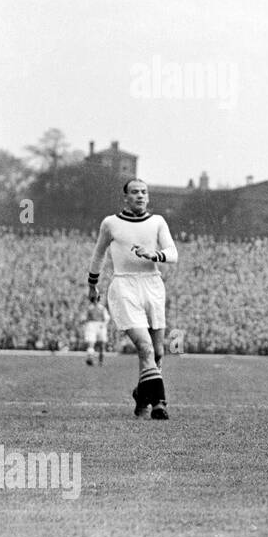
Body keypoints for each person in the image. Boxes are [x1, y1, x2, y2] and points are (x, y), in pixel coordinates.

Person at [86, 179, 177, 419]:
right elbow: (99, 254)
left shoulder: (158, 222)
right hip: (124, 284)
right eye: (134, 192)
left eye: (144, 192)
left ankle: (142, 394)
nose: (140, 196)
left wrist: (153, 254)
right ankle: (159, 403)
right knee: (144, 346)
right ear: (125, 197)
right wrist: (92, 284)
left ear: (148, 197)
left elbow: (173, 253)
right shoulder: (111, 223)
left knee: (157, 351)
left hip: (152, 284)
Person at [81, 299, 109, 366]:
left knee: (102, 344)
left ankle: (101, 361)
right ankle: (90, 358)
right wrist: (85, 322)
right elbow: (84, 317)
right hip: (91, 325)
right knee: (91, 342)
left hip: (100, 325)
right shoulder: (89, 308)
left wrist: (104, 324)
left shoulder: (102, 308)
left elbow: (107, 318)